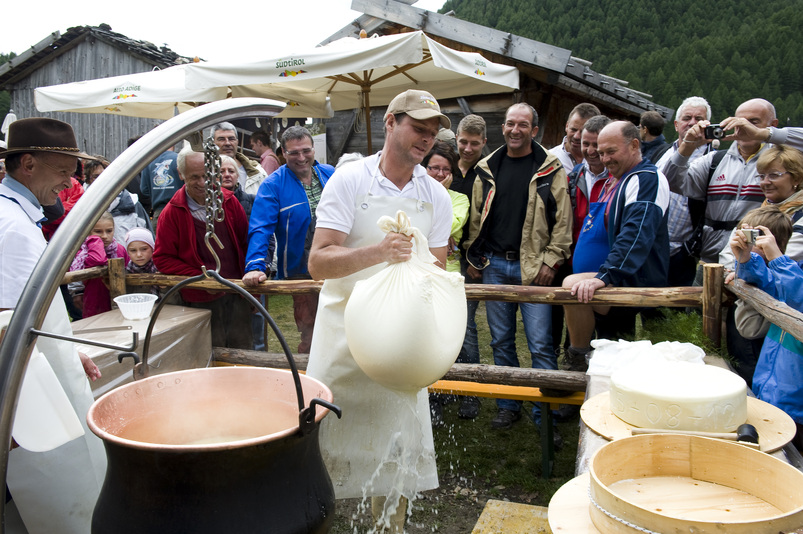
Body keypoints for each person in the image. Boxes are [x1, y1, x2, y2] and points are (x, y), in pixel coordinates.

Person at [305, 89, 452, 532]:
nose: (426, 139)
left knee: (396, 448)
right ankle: (319, 520)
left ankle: (391, 526)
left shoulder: (436, 197)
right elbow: (317, 262)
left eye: (432, 133)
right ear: (390, 122)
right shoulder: (350, 180)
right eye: (417, 128)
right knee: (327, 445)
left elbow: (437, 272)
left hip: (399, 343)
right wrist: (377, 253)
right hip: (343, 337)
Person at [0, 117, 106, 534]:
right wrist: (55, 353)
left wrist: (67, 348)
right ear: (28, 163)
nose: (68, 183)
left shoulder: (15, 216)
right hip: (30, 382)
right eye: (63, 171)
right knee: (53, 468)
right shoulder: (12, 228)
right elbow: (11, 324)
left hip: (41, 360)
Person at [464, 103, 572, 436]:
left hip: (533, 267)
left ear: (534, 130)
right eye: (510, 124)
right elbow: (477, 218)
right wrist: (474, 258)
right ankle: (508, 405)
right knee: (501, 341)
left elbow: (562, 222)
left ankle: (545, 413)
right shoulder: (487, 168)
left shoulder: (550, 169)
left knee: (540, 343)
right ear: (504, 128)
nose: (515, 130)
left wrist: (551, 261)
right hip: (495, 264)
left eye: (522, 125)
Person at [561, 121, 670, 370]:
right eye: (601, 153)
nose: (604, 158)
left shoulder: (646, 179)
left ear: (634, 145)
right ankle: (584, 366)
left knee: (571, 285)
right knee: (610, 351)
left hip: (632, 277)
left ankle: (578, 358)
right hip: (613, 275)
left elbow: (637, 233)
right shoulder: (620, 180)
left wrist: (606, 274)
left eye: (611, 151)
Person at [662, 98, 803, 274]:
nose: (743, 127)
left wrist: (763, 134)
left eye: (753, 122)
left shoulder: (780, 163)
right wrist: (687, 146)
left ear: (773, 124)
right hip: (710, 261)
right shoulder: (715, 161)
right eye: (739, 121)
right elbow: (669, 182)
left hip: (757, 265)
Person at [243, 126, 335, 354]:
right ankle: (309, 380)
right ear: (283, 153)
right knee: (310, 330)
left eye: (306, 150)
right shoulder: (273, 185)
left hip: (336, 264)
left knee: (340, 324)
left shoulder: (330, 174)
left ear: (314, 149)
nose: (301, 157)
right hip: (300, 269)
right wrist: (255, 266)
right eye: (294, 152)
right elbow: (260, 228)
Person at [719, 145, 803, 384]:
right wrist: (736, 264)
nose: (765, 182)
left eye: (774, 175)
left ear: (796, 178)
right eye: (762, 175)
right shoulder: (764, 209)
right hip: (750, 290)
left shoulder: (799, 215)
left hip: (779, 308)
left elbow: (788, 256)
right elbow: (731, 246)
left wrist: (742, 265)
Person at [153, 147, 253, 349]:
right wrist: (200, 277)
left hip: (236, 293)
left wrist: (250, 284)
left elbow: (246, 242)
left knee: (243, 348)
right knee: (209, 350)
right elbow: (163, 258)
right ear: (181, 175)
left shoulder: (230, 203)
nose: (202, 183)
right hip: (200, 300)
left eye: (207, 176)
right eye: (194, 177)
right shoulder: (172, 213)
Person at [728, 215, 803, 450]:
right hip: (770, 394)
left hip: (796, 409)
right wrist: (745, 258)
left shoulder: (788, 269)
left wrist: (776, 257)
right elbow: (769, 285)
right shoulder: (792, 271)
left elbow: (796, 299)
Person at [422, 140, 469, 428]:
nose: (439, 173)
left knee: (459, 335)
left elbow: (450, 225)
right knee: (426, 337)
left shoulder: (459, 199)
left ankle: (466, 392)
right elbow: (418, 228)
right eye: (433, 168)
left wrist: (438, 194)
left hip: (449, 275)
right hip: (420, 273)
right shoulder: (414, 196)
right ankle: (433, 399)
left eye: (445, 169)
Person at [724, 206, 794, 386]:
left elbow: (761, 274)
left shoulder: (778, 272)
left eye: (751, 238)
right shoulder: (757, 267)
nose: (745, 243)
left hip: (760, 349)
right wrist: (740, 267)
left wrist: (748, 261)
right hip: (753, 349)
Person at [448, 114, 488, 419]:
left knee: (466, 325)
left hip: (469, 259)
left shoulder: (487, 174)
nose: (468, 148)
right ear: (456, 138)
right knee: (441, 323)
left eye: (474, 143)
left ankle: (471, 390)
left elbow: (488, 222)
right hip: (444, 257)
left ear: (483, 143)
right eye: (463, 141)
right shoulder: (445, 166)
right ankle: (445, 384)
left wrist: (476, 260)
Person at [655, 96, 715, 287]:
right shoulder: (660, 152)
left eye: (699, 119)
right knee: (649, 305)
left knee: (679, 308)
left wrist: (689, 249)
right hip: (653, 246)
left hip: (684, 251)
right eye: (687, 118)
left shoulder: (713, 160)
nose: (692, 123)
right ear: (676, 124)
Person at [69, 211, 129, 318]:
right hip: (94, 301)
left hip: (120, 301)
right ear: (88, 231)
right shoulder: (84, 252)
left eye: (109, 231)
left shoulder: (120, 249)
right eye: (98, 231)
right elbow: (99, 260)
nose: (104, 236)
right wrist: (95, 241)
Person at [211, 122, 267, 195]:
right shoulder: (204, 171)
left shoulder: (258, 172)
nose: (227, 143)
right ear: (212, 143)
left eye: (231, 139)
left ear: (237, 142)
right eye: (221, 139)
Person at [549, 102, 601, 170]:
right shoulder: (549, 158)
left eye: (582, 132)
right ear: (567, 126)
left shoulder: (602, 162)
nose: (576, 136)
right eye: (573, 130)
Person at [139, 145, 181, 227]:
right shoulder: (179, 159)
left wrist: (157, 191)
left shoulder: (149, 162)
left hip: (159, 212)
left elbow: (144, 190)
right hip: (180, 211)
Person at [124, 227, 160, 297]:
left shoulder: (160, 268)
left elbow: (174, 301)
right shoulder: (126, 271)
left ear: (153, 248)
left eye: (144, 249)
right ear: (128, 252)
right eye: (133, 250)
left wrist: (164, 288)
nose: (139, 255)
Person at [220, 154, 255, 219]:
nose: (227, 175)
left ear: (237, 175)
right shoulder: (208, 203)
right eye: (221, 172)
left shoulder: (252, 201)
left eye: (231, 171)